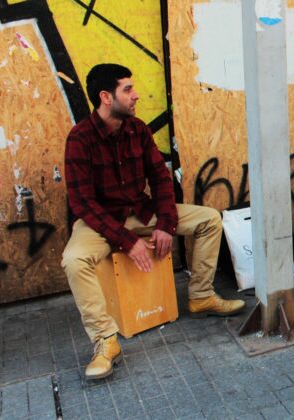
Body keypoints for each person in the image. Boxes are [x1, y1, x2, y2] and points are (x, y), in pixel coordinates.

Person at [62, 64, 246, 380]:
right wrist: (125, 239)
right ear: (106, 97)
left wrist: (166, 223)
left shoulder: (138, 130)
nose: (135, 96)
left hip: (142, 213)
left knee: (209, 220)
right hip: (102, 223)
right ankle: (106, 341)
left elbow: (161, 180)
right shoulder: (80, 138)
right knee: (73, 259)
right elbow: (82, 202)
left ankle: (201, 296)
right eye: (127, 90)